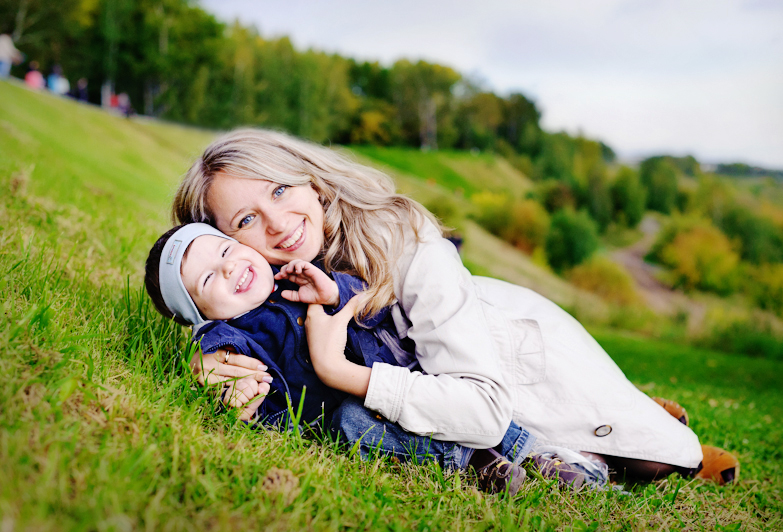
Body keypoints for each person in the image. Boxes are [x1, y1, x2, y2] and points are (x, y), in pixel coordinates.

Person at [171, 128, 740, 485]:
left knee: (651, 462)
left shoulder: (405, 242)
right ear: (225, 239)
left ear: (313, 185)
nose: (276, 224)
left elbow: (484, 413)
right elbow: (200, 286)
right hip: (444, 381)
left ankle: (647, 412)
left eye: (279, 190)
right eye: (245, 219)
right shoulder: (265, 280)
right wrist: (209, 359)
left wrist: (336, 370)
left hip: (517, 361)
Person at [144, 222, 538, 495]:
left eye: (226, 250)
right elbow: (222, 363)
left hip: (395, 375)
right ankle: (473, 459)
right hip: (351, 412)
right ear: (200, 315)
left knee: (442, 391)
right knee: (352, 425)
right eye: (208, 279)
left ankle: (532, 452)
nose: (228, 267)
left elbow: (375, 306)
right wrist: (222, 373)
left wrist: (335, 292)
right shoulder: (231, 336)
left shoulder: (298, 271)